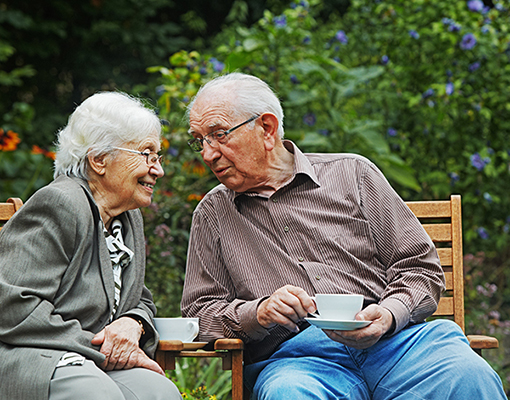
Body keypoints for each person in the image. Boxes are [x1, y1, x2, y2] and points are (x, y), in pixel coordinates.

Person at [181, 73, 506, 399]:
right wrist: (258, 313)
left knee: (468, 374)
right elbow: (198, 315)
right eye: (200, 141)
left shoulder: (353, 174)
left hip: (396, 346)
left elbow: (419, 268)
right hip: (301, 362)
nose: (208, 154)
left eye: (219, 135)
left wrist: (389, 314)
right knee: (288, 394)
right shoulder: (213, 215)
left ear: (266, 129)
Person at [0, 92, 182, 400]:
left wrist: (132, 323)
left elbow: (139, 297)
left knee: (160, 392)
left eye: (158, 156)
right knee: (96, 393)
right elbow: (13, 305)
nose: (158, 169)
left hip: (88, 361)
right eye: (146, 154)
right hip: (33, 357)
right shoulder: (60, 203)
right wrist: (98, 347)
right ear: (98, 159)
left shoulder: (127, 217)